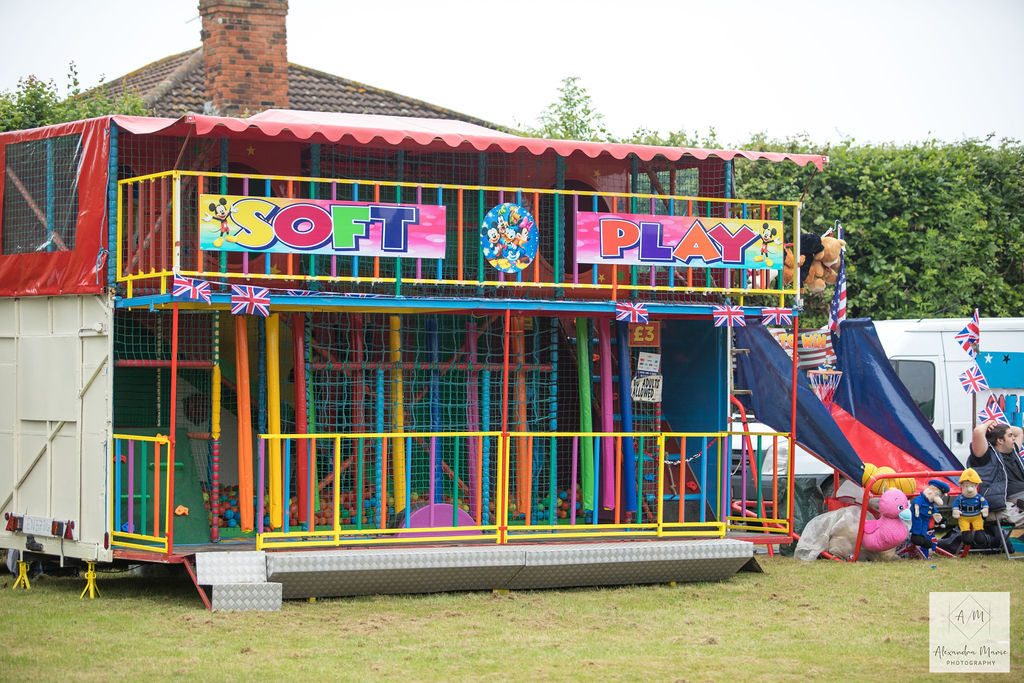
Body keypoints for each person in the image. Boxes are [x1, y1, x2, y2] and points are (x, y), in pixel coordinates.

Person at [968, 419, 1024, 527]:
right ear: (1000, 440)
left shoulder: (1013, 451)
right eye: (1010, 435)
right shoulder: (986, 456)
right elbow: (978, 432)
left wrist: (997, 426)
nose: (1014, 438)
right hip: (1005, 501)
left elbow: (1019, 432)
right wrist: (989, 424)